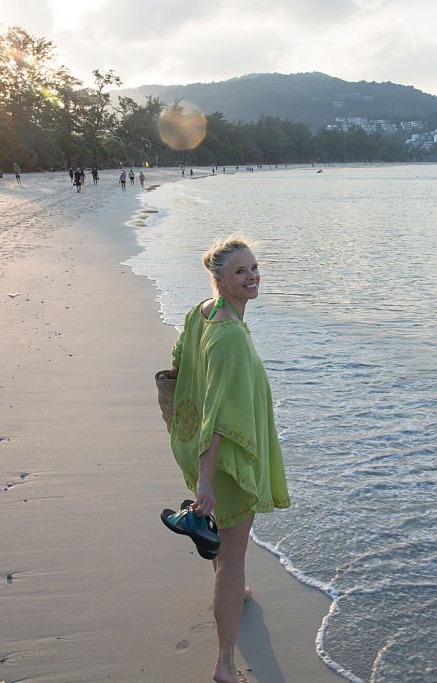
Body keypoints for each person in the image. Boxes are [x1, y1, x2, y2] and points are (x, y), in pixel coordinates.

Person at [167, 236, 290, 683]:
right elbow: (220, 416)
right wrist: (205, 479)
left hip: (196, 441)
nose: (252, 276)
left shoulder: (202, 312)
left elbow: (178, 361)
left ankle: (233, 588)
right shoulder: (229, 336)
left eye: (254, 267)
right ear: (218, 278)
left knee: (227, 540)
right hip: (224, 457)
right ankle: (223, 664)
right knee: (234, 551)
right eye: (240, 271)